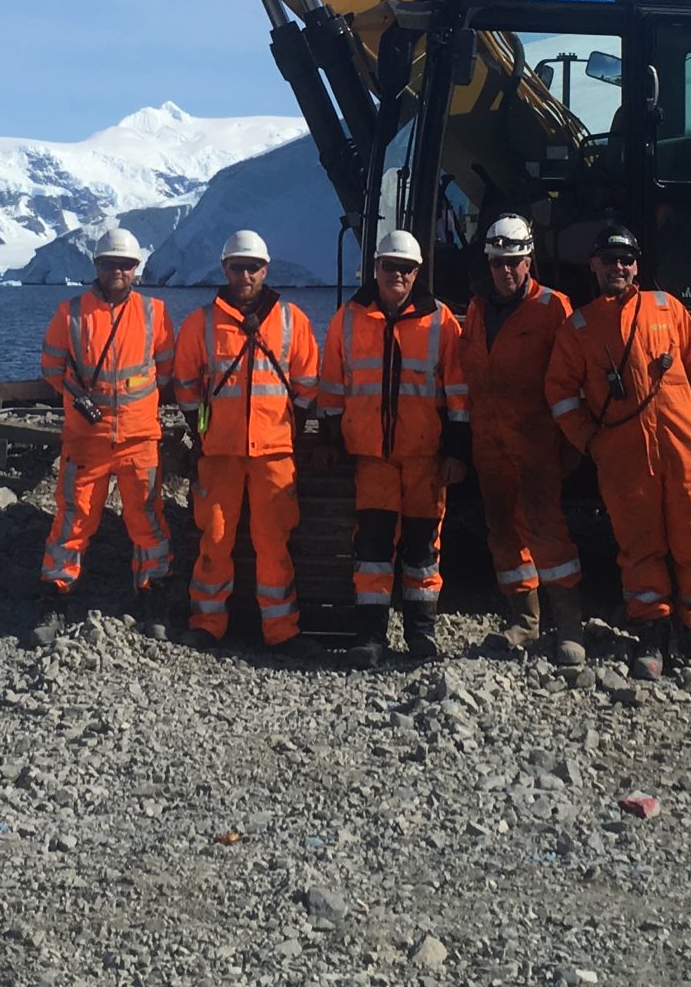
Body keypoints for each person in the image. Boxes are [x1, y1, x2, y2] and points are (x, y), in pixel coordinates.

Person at [544, 225, 691, 684]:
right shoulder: (579, 327)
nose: (618, 266)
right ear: (594, 264)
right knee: (639, 546)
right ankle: (652, 636)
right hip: (624, 455)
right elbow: (560, 390)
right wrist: (589, 440)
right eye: (609, 258)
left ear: (637, 265)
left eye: (626, 259)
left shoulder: (666, 308)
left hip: (686, 449)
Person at [317, 229, 468, 666]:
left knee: (423, 548)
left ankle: (421, 633)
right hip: (372, 458)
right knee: (372, 550)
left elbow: (459, 392)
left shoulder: (441, 321)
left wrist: (457, 451)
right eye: (390, 266)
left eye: (405, 268)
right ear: (376, 268)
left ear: (417, 273)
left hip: (426, 458)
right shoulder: (348, 319)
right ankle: (370, 636)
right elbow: (331, 386)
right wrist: (331, 440)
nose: (397, 275)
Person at [170, 230, 317, 655]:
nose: (245, 275)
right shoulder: (201, 323)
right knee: (214, 539)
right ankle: (207, 623)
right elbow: (185, 384)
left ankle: (281, 630)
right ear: (225, 269)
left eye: (253, 267)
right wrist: (202, 430)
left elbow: (308, 382)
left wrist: (288, 428)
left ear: (265, 269)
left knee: (274, 543)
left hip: (274, 453)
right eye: (238, 267)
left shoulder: (291, 320)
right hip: (220, 452)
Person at [36, 228, 176, 632]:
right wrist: (79, 397)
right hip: (87, 440)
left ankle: (153, 599)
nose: (119, 270)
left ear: (136, 268)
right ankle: (55, 599)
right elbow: (51, 368)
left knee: (147, 521)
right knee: (73, 519)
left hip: (138, 439)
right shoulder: (71, 313)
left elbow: (166, 367)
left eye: (126, 264)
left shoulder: (154, 313)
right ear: (97, 265)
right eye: (111, 263)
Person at [455, 214, 582, 657]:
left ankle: (569, 627)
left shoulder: (554, 308)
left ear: (529, 261)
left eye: (514, 261)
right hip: (489, 442)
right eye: (497, 262)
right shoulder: (476, 309)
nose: (506, 270)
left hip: (536, 441)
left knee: (546, 528)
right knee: (502, 530)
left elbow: (573, 377)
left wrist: (571, 441)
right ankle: (524, 621)